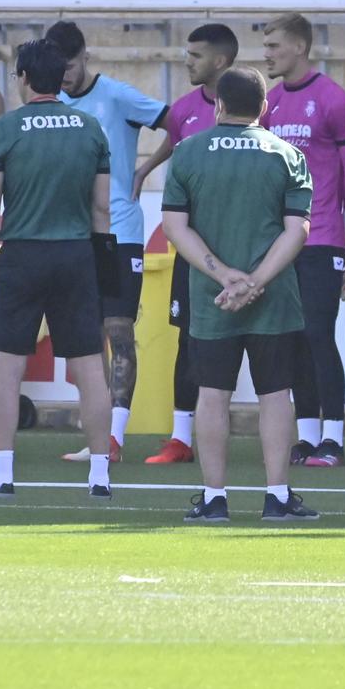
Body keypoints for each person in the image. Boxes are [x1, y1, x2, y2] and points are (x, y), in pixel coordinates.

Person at [160, 66, 318, 522]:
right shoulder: (286, 154)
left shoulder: (188, 152)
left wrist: (224, 274)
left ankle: (214, 500)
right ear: (264, 108)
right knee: (275, 395)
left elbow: (174, 226)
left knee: (212, 394)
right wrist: (257, 279)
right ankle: (277, 496)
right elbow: (298, 231)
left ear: (218, 105)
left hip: (212, 296)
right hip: (274, 296)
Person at [0, 38, 116, 502]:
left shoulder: (6, 129)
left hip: (21, 255)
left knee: (6, 368)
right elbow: (102, 212)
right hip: (76, 255)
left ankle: (3, 476)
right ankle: (100, 475)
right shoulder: (90, 127)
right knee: (90, 366)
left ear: (24, 79)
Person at [260, 12, 345, 467]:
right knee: (291, 338)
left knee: (317, 334)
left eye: (274, 46)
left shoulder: (332, 99)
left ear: (299, 48)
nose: (267, 54)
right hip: (283, 242)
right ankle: (307, 436)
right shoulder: (268, 104)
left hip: (323, 237)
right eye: (266, 46)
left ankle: (334, 438)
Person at [54, 21, 170, 465]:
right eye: (58, 67)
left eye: (70, 64)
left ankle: (114, 438)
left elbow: (175, 122)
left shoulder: (118, 96)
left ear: (85, 56)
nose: (65, 75)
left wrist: (144, 170)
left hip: (119, 231)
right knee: (87, 337)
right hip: (74, 234)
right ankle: (98, 435)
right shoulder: (54, 104)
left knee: (119, 332)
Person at [133, 24, 240, 465]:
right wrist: (144, 170)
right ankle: (181, 438)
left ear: (220, 60)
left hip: (246, 246)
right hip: (195, 249)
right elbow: (174, 142)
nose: (187, 61)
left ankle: (303, 437)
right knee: (189, 340)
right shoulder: (182, 109)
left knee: (265, 343)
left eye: (195, 55)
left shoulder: (252, 106)